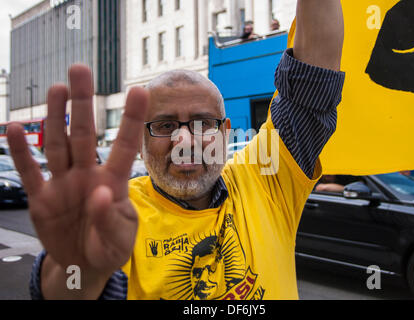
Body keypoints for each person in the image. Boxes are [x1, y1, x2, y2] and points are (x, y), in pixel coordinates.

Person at [7, 0, 345, 300]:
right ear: (141, 143)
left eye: (202, 123)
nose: (185, 141)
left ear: (226, 134)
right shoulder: (114, 212)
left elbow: (312, 80)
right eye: (165, 126)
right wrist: (81, 266)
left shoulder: (267, 180)